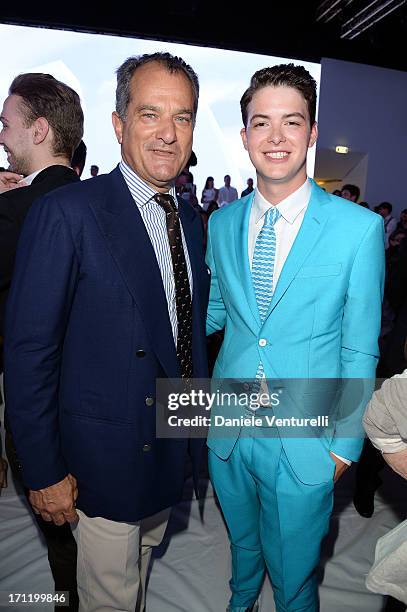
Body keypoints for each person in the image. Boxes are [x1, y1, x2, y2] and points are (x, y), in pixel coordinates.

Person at [4, 52, 209, 612]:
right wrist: (44, 471)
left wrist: (192, 442)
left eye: (183, 117)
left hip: (165, 454)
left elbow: (182, 340)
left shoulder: (190, 219)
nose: (168, 134)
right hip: (102, 466)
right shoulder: (70, 212)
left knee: (137, 577)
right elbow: (30, 353)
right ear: (118, 125)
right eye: (150, 114)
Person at [205, 63, 384, 612]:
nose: (276, 137)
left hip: (307, 439)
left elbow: (359, 346)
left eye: (291, 122)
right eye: (261, 123)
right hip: (229, 428)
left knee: (295, 578)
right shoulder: (221, 223)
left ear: (311, 133)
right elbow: (214, 314)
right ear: (244, 137)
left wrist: (345, 446)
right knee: (241, 553)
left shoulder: (359, 229)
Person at [0, 72, 84, 611]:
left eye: (6, 125)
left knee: (60, 530)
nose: (2, 136)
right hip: (92, 409)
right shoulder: (91, 203)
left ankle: (67, 599)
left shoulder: (16, 214)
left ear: (37, 130)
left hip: (38, 406)